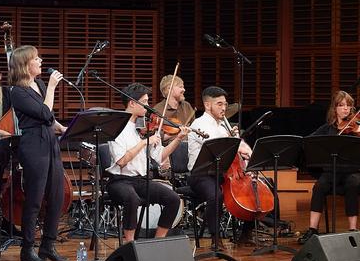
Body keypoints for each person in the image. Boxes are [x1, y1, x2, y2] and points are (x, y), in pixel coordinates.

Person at [106, 83, 189, 243]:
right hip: (119, 181)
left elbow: (159, 156)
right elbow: (122, 161)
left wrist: (178, 139)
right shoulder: (117, 128)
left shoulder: (144, 127)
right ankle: (130, 243)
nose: (148, 106)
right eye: (144, 102)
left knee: (173, 199)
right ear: (132, 103)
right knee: (132, 199)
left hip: (141, 180)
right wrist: (144, 142)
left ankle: (158, 240)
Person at [9, 45, 68, 261]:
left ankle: (48, 245)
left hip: (50, 142)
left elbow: (50, 120)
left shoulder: (40, 84)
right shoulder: (17, 91)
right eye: (36, 58)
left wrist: (64, 128)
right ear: (26, 65)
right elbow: (44, 113)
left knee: (57, 195)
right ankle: (27, 250)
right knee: (34, 199)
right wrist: (52, 87)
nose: (41, 60)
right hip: (33, 145)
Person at [187, 86, 255, 249]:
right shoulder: (199, 124)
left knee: (251, 189)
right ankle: (215, 238)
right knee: (215, 195)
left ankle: (246, 234)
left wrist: (248, 155)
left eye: (225, 104)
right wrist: (238, 145)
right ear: (207, 105)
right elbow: (217, 144)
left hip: (222, 173)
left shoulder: (223, 126)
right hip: (201, 175)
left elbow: (239, 146)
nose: (224, 108)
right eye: (219, 104)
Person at [298, 90, 360, 244]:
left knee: (353, 184)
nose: (345, 109)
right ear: (334, 108)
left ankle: (353, 231)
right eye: (341, 105)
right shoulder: (327, 128)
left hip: (352, 171)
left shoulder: (357, 126)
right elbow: (309, 141)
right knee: (319, 186)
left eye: (348, 106)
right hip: (333, 172)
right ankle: (312, 229)